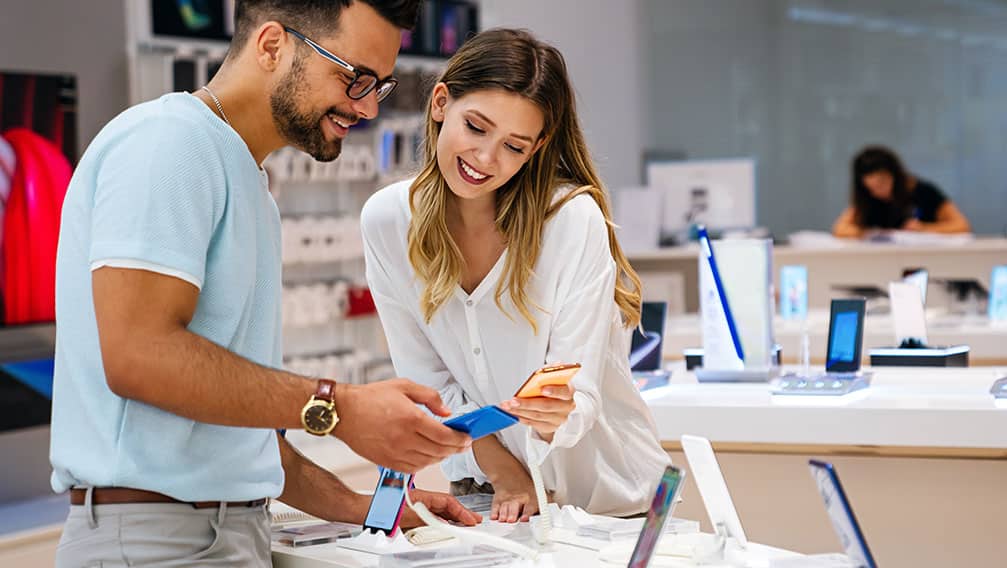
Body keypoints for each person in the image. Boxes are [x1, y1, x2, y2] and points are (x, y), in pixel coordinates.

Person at [51, 2, 480, 566]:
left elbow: (248, 440)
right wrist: (340, 407)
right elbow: (138, 354)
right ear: (273, 45)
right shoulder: (171, 143)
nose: (369, 107)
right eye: (355, 78)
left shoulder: (248, 182)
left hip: (224, 531)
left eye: (379, 85)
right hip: (156, 539)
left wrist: (365, 506)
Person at [361, 28, 670, 521]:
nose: (485, 159)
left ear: (538, 146)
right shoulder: (387, 222)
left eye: (514, 146)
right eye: (476, 127)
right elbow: (426, 383)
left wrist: (555, 413)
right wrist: (503, 470)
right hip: (486, 495)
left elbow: (580, 397)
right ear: (441, 103)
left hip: (608, 504)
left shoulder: (570, 220)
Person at [831, 146, 971, 238]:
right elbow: (840, 228)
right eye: (871, 188)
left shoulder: (923, 192)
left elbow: (962, 225)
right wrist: (870, 233)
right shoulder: (868, 198)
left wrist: (924, 228)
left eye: (882, 184)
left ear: (895, 176)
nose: (877, 192)